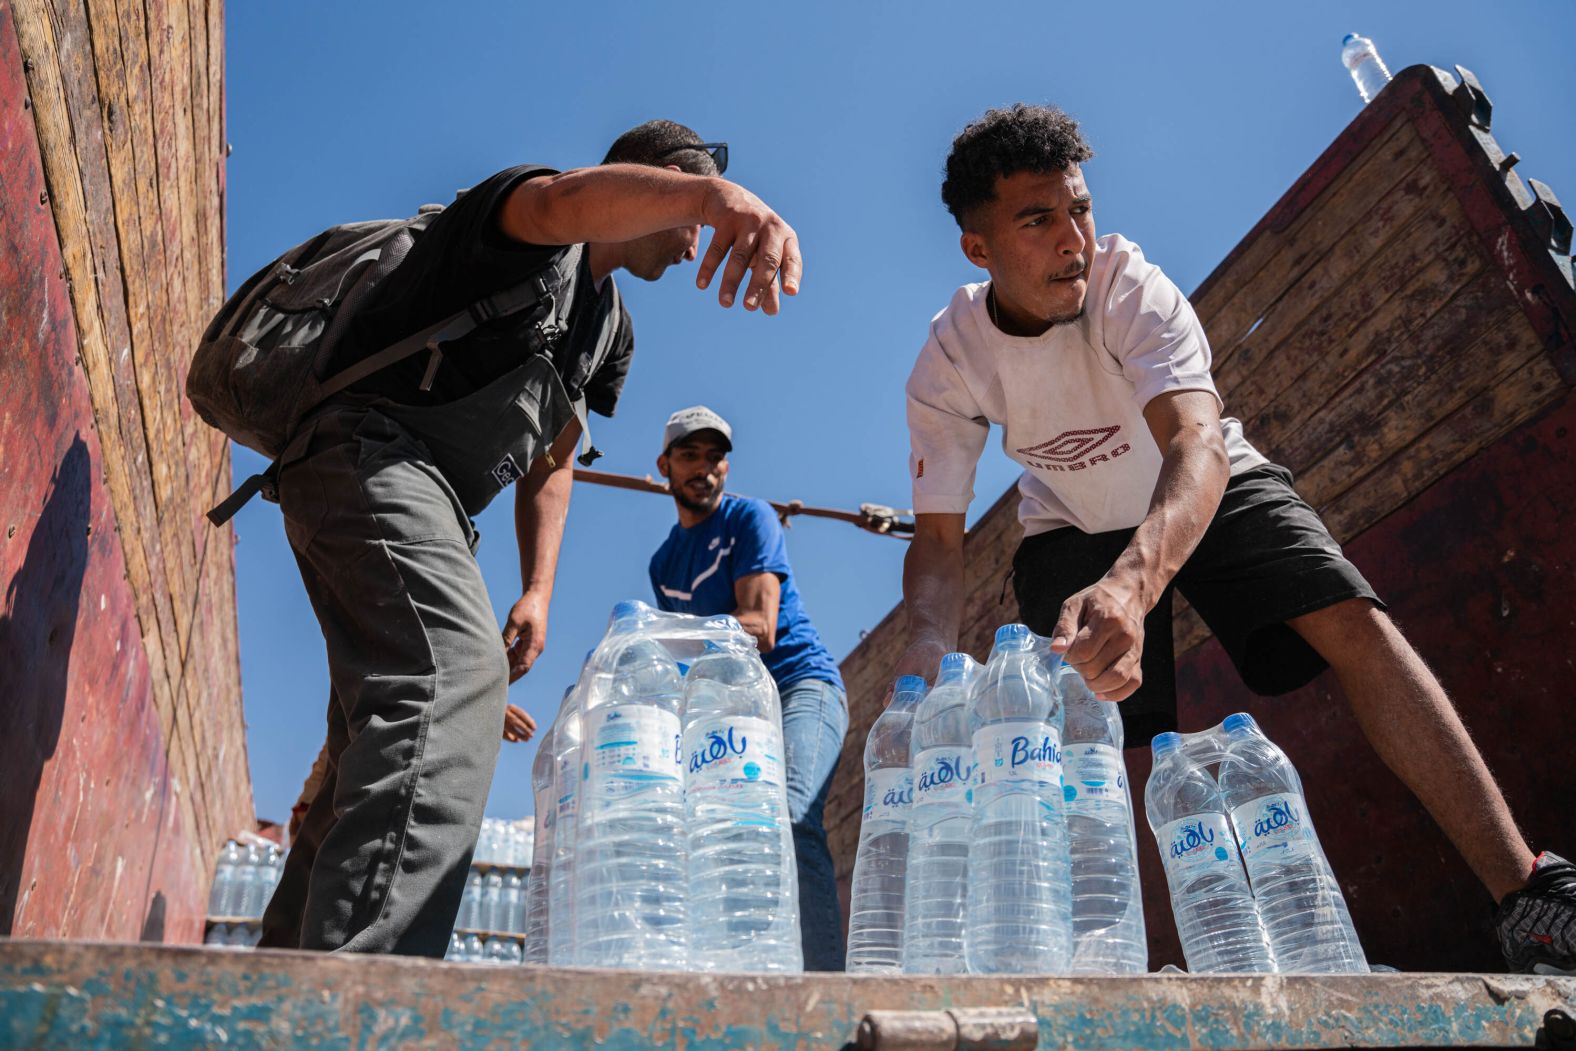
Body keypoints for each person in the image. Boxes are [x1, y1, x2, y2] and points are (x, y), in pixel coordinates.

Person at [894, 103, 1574, 975]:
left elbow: (1196, 446)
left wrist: (1134, 585)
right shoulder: (948, 359)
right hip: (1069, 520)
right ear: (978, 249)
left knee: (1349, 614)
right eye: (1038, 219)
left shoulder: (1129, 287)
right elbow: (939, 544)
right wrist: (917, 675)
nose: (1075, 240)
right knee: (1078, 719)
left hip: (1200, 482)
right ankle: (1109, 962)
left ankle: (1529, 895)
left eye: (1080, 209)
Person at [260, 120, 803, 957]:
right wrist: (719, 193)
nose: (696, 237)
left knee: (371, 737)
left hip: (436, 499)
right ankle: (363, 997)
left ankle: (282, 984)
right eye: (687, 208)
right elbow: (569, 198)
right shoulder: (529, 222)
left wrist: (538, 586)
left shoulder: (607, 328)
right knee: (453, 682)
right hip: (363, 451)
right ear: (651, 184)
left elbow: (552, 457)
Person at [648, 406, 850, 970]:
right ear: (664, 465)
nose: (705, 469)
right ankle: (750, 972)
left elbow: (759, 629)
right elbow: (687, 667)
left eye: (716, 458)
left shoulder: (751, 519)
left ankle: (822, 986)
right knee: (724, 836)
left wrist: (658, 634)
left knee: (789, 818)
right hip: (735, 716)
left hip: (799, 688)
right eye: (690, 456)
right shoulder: (664, 563)